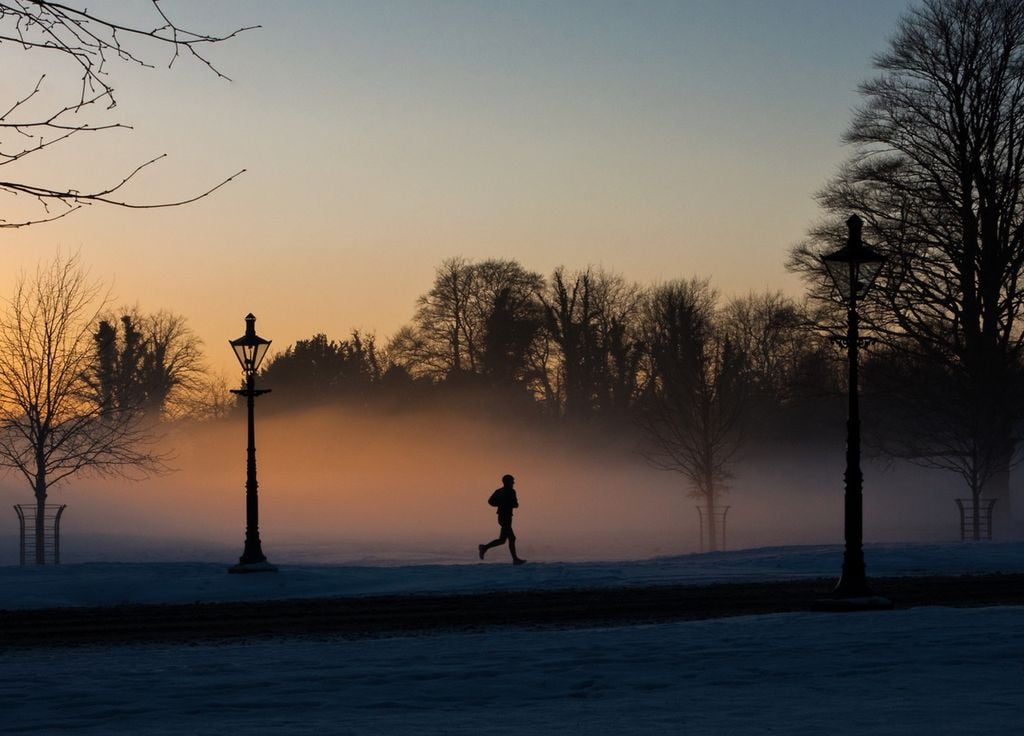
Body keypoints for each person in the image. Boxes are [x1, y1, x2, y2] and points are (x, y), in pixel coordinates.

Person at [478, 474, 526, 565]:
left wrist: (500, 504)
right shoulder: (511, 491)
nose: (513, 483)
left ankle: (484, 547)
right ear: (508, 482)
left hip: (502, 517)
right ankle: (515, 559)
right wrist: (505, 504)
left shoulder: (499, 491)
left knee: (502, 540)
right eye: (512, 481)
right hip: (506, 517)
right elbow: (515, 504)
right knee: (512, 538)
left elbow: (491, 501)